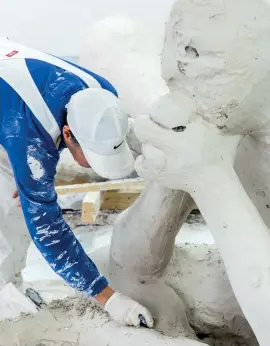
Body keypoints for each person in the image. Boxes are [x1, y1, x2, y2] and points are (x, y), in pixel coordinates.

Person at [0, 37, 153, 328]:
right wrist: (107, 297)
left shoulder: (103, 94)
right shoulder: (28, 135)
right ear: (68, 135)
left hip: (7, 99)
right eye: (91, 156)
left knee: (22, 201)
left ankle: (11, 285)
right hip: (10, 108)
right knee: (7, 203)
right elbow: (49, 232)